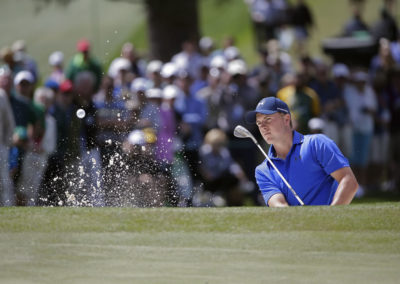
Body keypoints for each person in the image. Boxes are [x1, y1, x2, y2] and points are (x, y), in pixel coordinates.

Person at [245, 97, 358, 207]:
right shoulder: (263, 171)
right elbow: (279, 205)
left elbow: (348, 181)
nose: (263, 127)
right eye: (259, 123)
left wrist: (330, 217)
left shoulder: (317, 143)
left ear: (286, 119)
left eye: (268, 119)